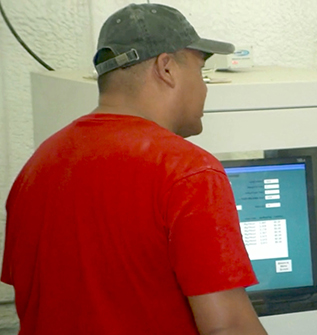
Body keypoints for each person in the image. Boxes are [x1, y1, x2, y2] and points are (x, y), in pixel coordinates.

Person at [1, 3, 267, 335]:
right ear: (166, 68)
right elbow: (228, 328)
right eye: (202, 71)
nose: (205, 88)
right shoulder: (188, 171)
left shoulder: (37, 167)